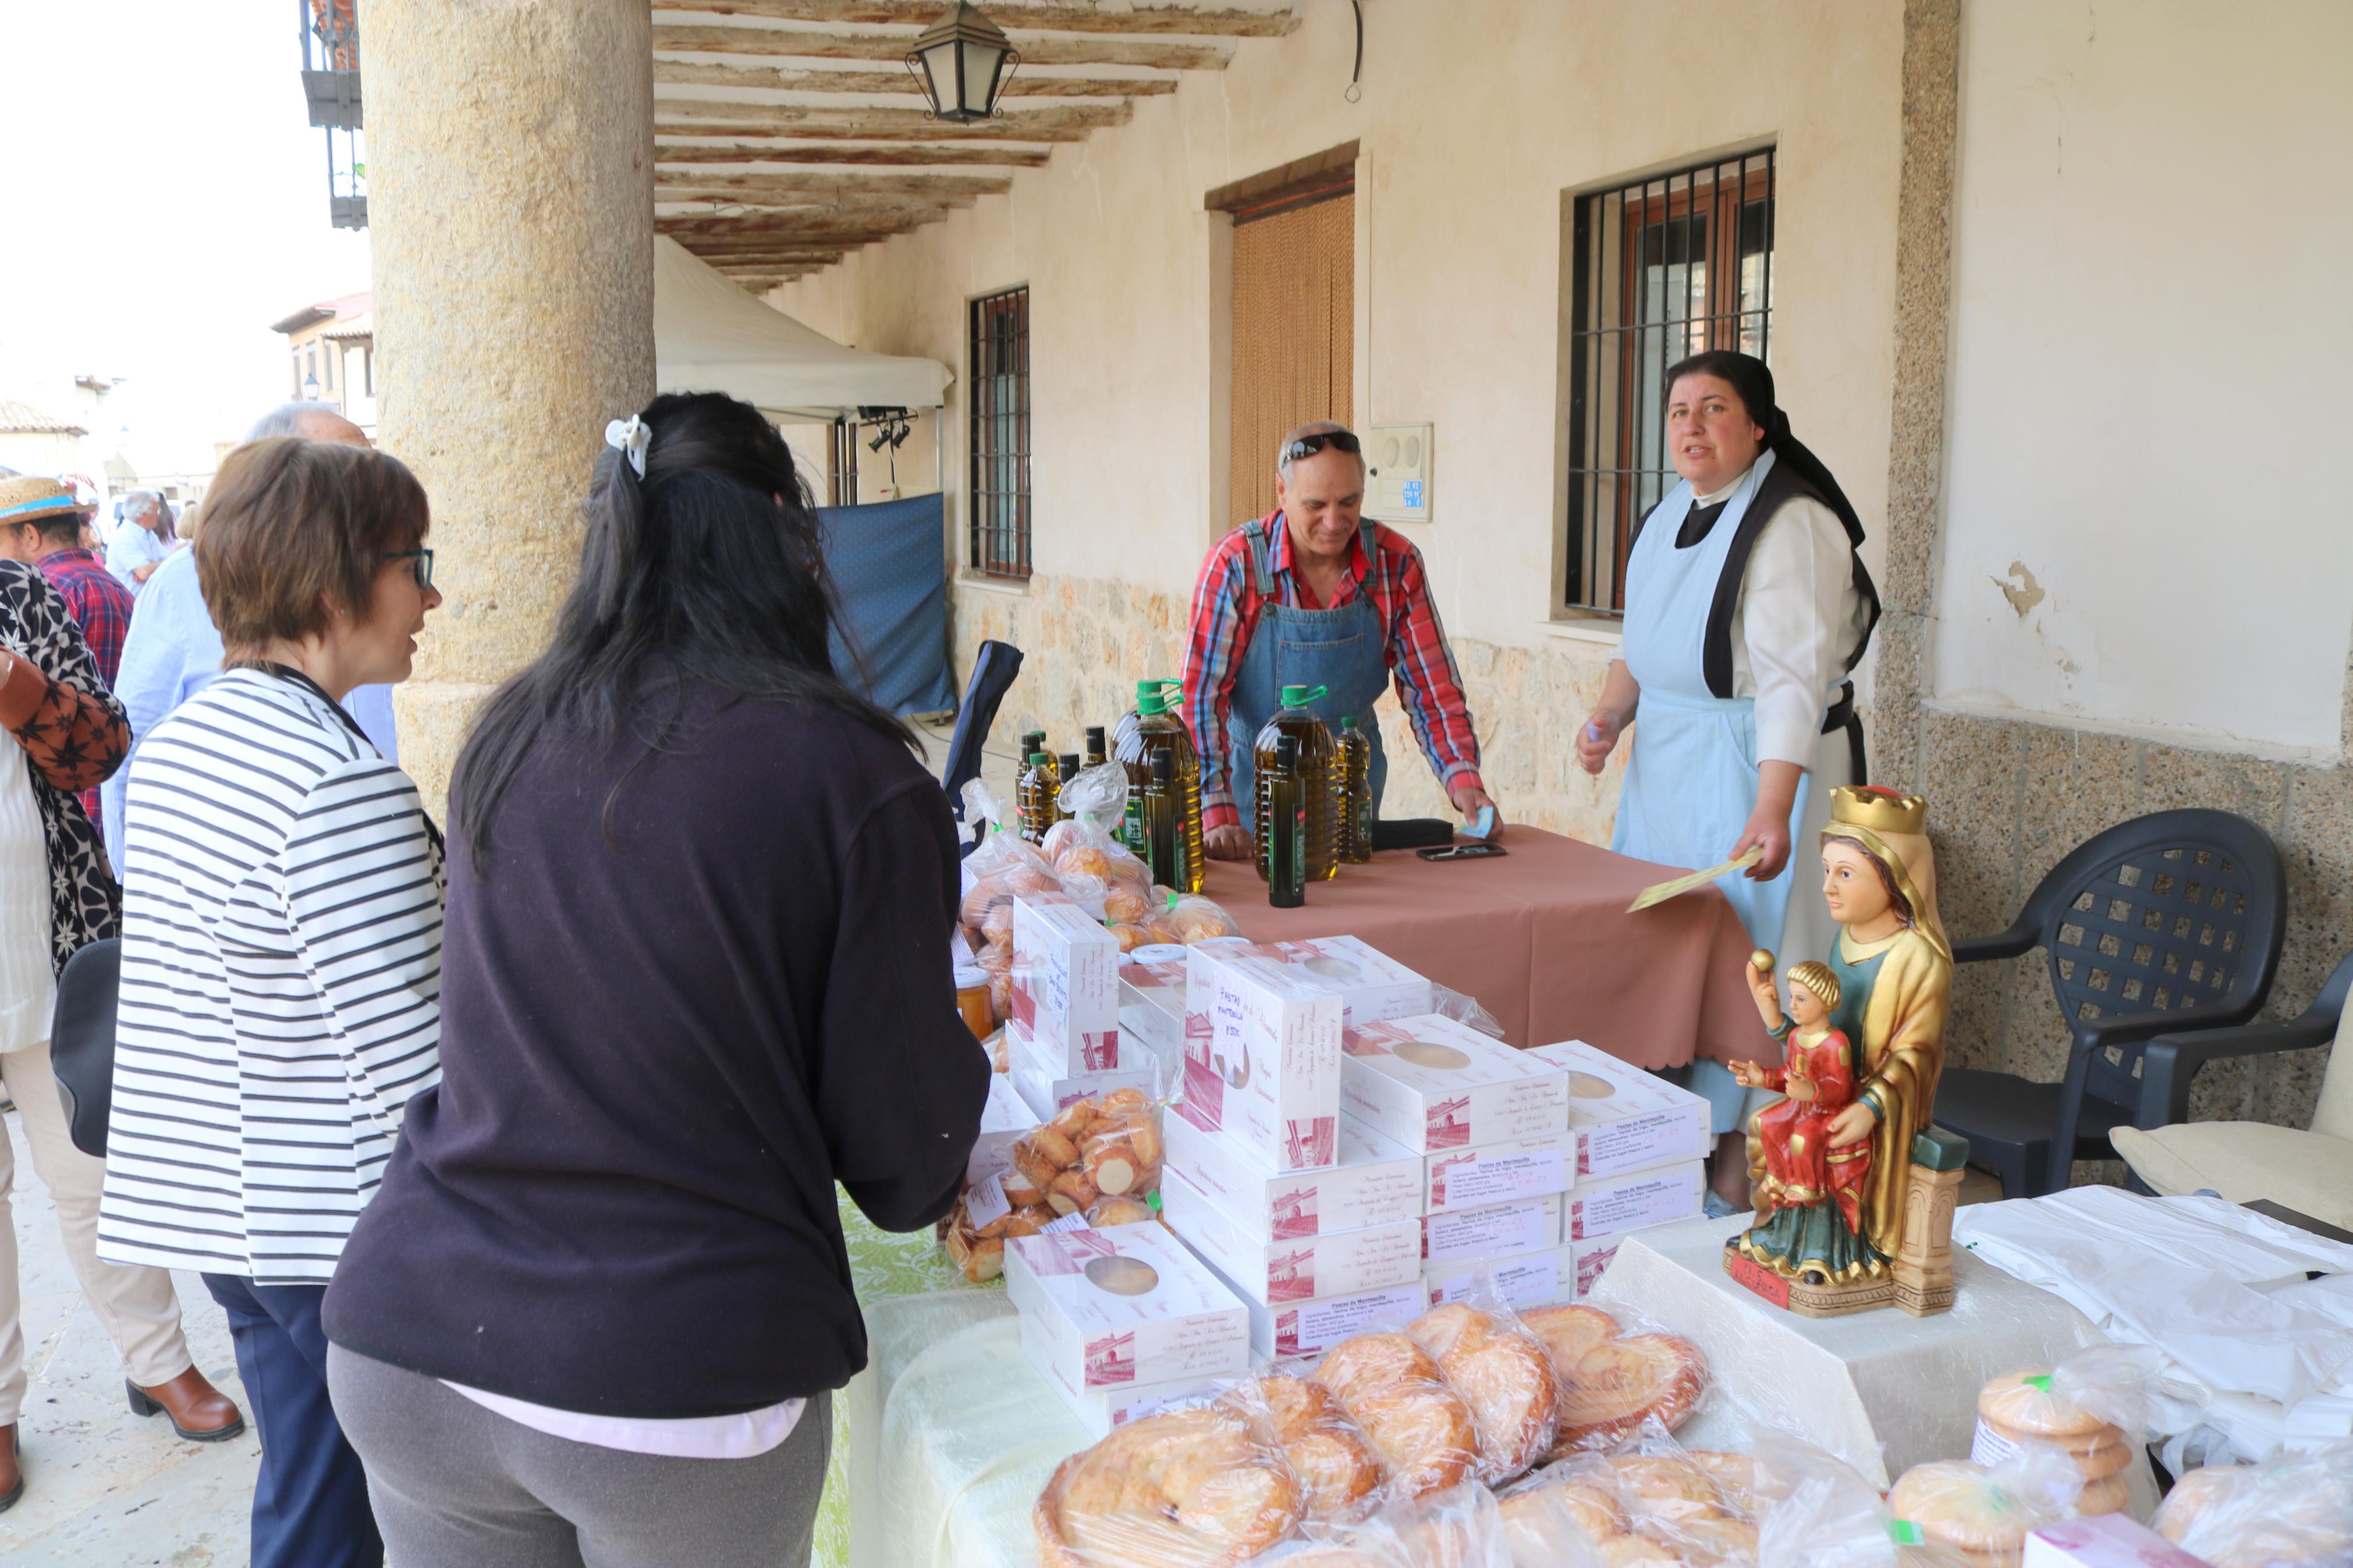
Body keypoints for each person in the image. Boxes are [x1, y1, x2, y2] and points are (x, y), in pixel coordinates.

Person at [322, 393, 989, 1568]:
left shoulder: (509, 732)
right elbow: (903, 1166)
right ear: (785, 533)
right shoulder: (851, 779)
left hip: (415, 1340)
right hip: (674, 1380)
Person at [97, 436, 443, 1568]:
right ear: (338, 579)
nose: (431, 593)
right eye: (413, 561)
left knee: (310, 1498)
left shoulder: (193, 739)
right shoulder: (333, 781)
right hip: (327, 1224)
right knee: (383, 1510)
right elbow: (425, 1071)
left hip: (224, 1208)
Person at [1575, 351, 1879, 1211]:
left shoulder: (1792, 523)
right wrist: (1608, 719)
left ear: (1756, 425)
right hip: (1668, 769)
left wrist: (1772, 807)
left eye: (1714, 409)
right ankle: (1671, 1140)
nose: (1691, 426)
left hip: (1752, 767)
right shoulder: (1668, 509)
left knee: (1753, 960)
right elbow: (1642, 642)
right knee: (1665, 943)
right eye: (1677, 410)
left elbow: (1790, 678)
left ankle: (1739, 1163)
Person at [0, 523, 244, 1515]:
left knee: (93, 1174)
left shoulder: (21, 594)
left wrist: (25, 694)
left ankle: (158, 1363)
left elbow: (102, 752)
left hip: (46, 950)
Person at [1183, 421, 1495, 859]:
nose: (1334, 522)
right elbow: (1202, 699)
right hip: (1250, 796)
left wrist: (1463, 781)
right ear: (1281, 492)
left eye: (1348, 501)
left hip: (1349, 789)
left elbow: (1433, 690)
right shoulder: (1234, 566)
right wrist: (1215, 809)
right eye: (1315, 504)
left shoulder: (1396, 564)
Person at [101, 404, 398, 858]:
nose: (374, 494)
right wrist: (134, 879)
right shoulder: (181, 584)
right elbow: (134, 739)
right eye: (349, 475)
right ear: (276, 485)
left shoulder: (386, 575)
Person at [0, 478, 134, 834]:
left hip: (71, 789)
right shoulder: (112, 584)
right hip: (102, 773)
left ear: (30, 535)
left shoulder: (39, 591)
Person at [104, 489, 178, 595]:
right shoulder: (124, 537)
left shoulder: (149, 534)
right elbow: (144, 573)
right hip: (131, 606)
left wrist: (152, 568)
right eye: (156, 511)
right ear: (144, 514)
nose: (158, 515)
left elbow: (166, 560)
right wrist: (150, 569)